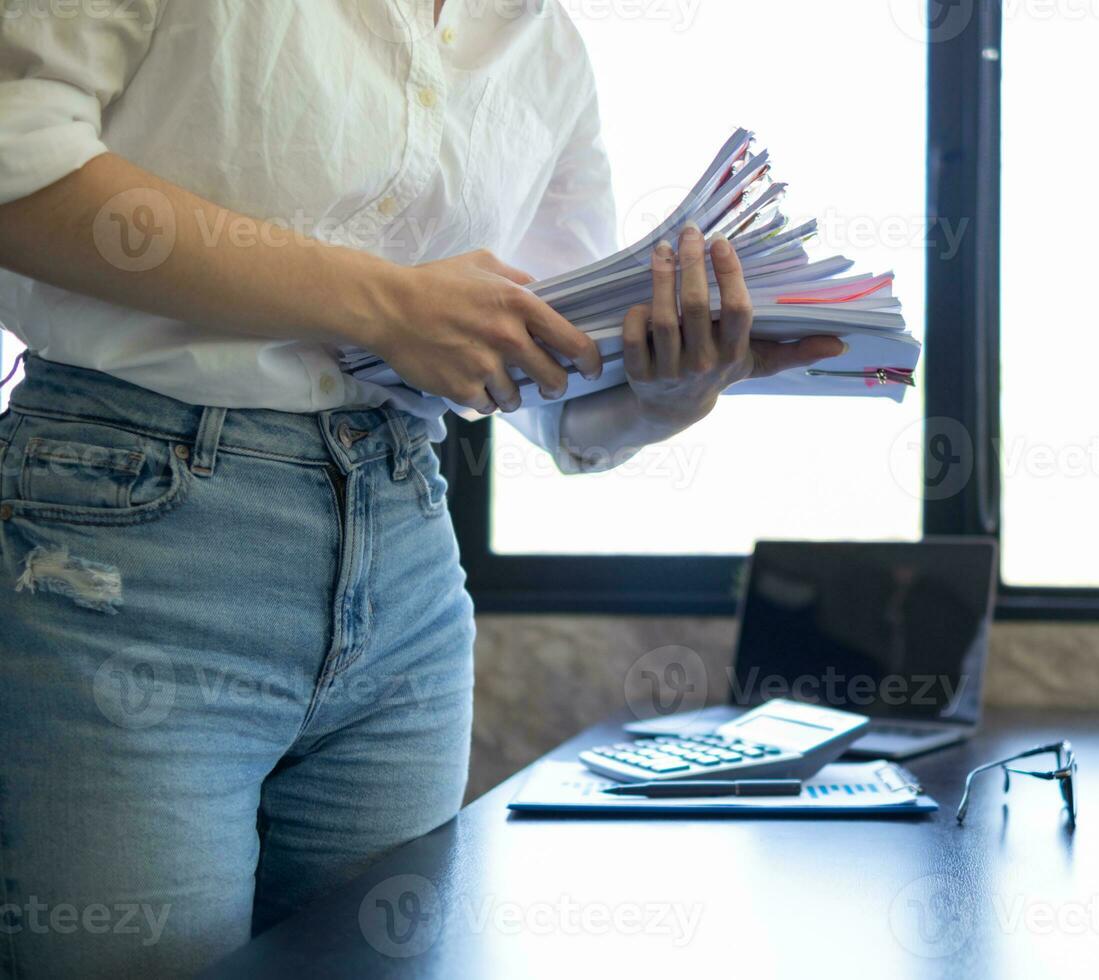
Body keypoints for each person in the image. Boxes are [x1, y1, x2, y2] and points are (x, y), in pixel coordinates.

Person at [0, 1, 841, 975]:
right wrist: (386, 301)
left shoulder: (546, 44)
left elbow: (557, 394)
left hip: (406, 563)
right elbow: (17, 162)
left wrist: (668, 389)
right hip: (128, 543)